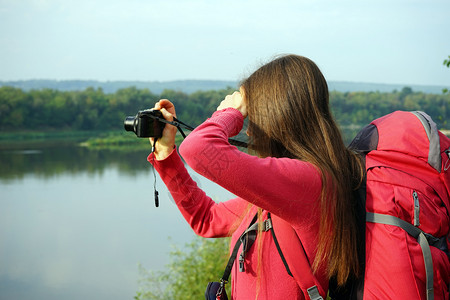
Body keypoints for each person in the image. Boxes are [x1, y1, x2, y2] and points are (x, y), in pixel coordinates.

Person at [147, 54, 365, 299]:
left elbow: (197, 148)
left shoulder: (307, 183)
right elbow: (206, 219)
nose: (248, 129)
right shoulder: (284, 190)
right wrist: (166, 154)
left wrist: (230, 113)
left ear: (279, 115)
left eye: (252, 115)